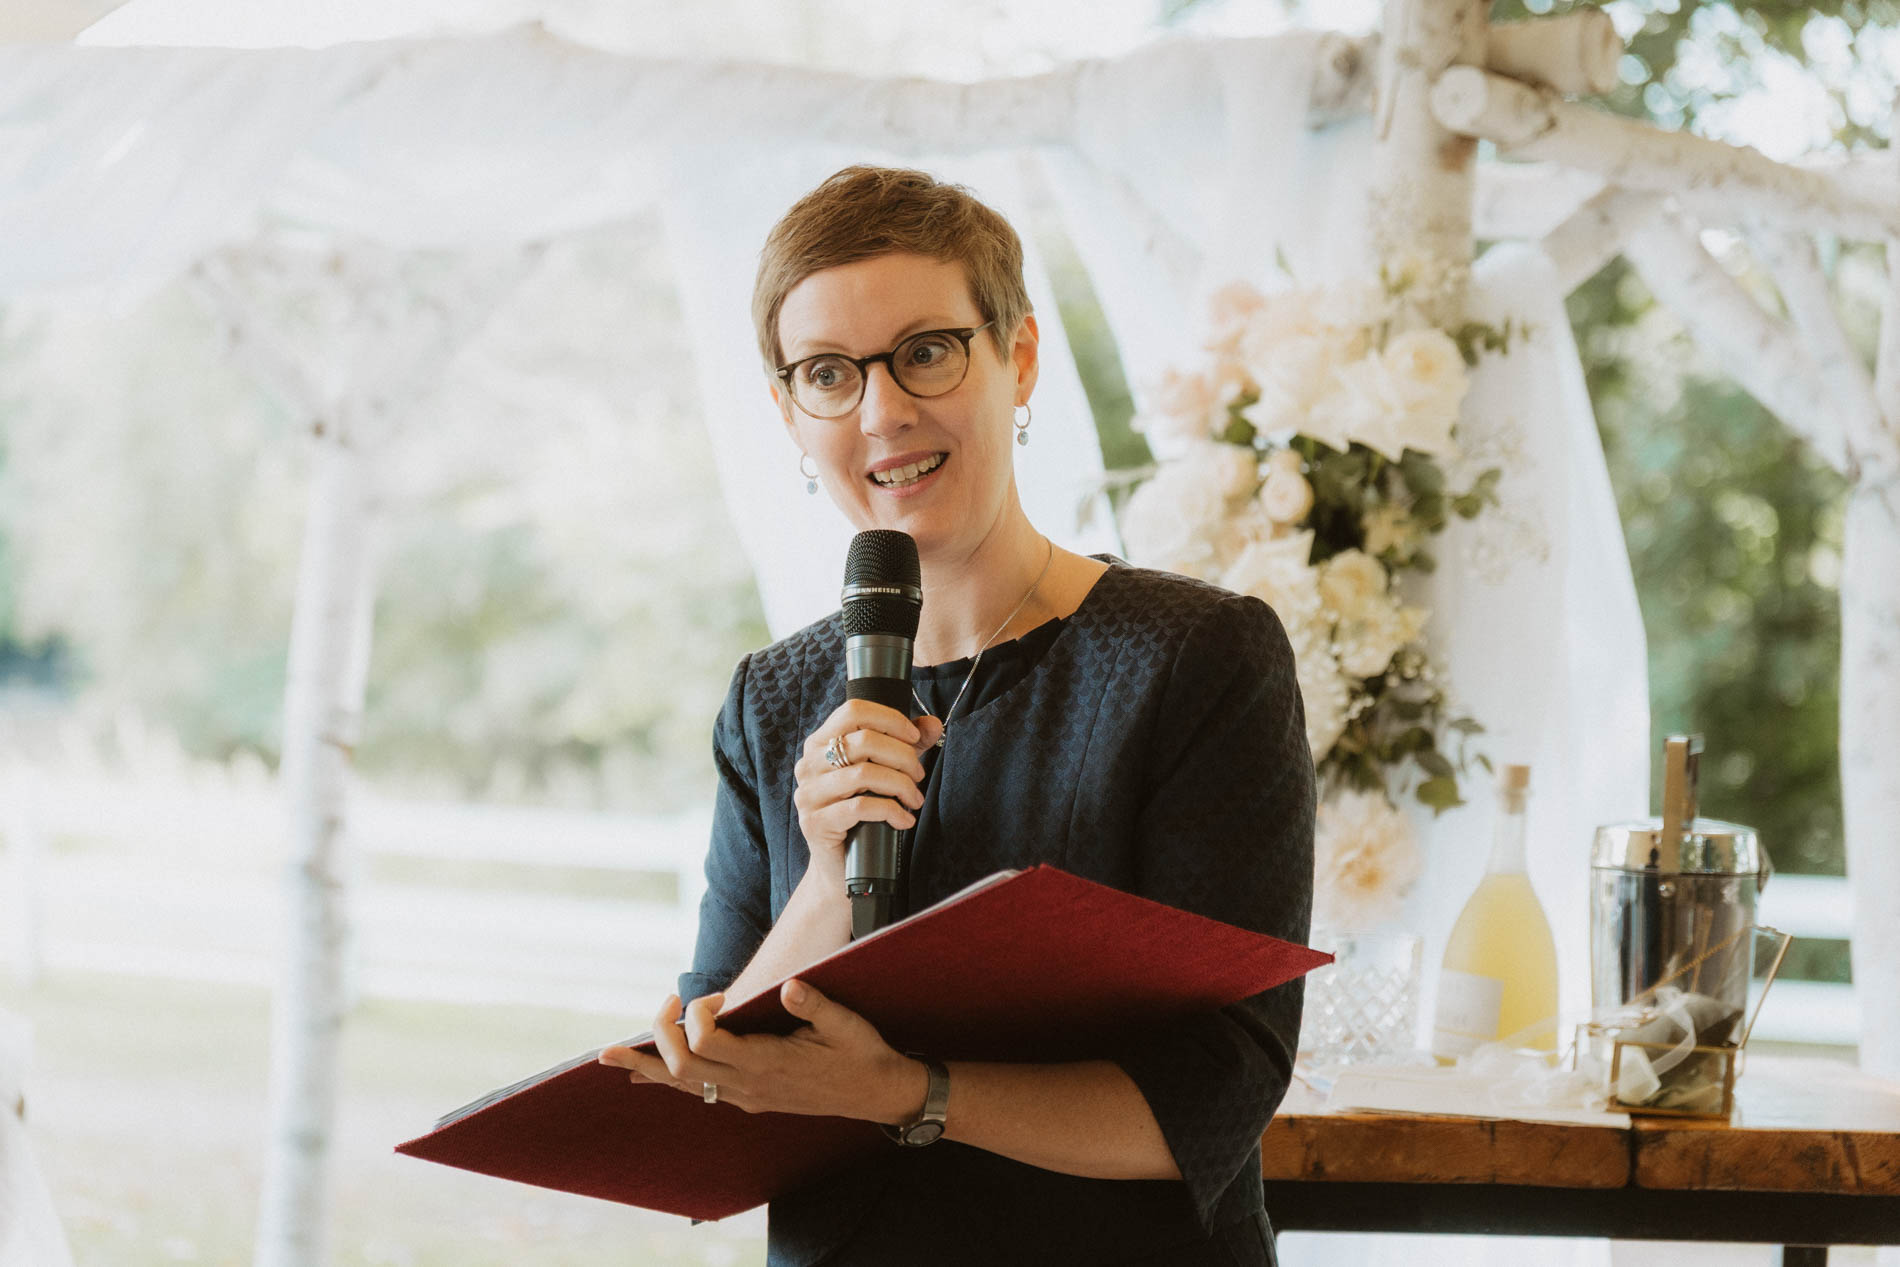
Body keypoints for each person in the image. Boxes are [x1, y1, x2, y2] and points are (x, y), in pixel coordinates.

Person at [598, 165, 1314, 1266]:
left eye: (925, 352)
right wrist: (829, 881)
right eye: (830, 373)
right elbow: (718, 1075)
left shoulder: (1198, 657)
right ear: (790, 411)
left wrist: (910, 1094)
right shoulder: (772, 699)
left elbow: (1222, 1091)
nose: (884, 412)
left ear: (1018, 359)